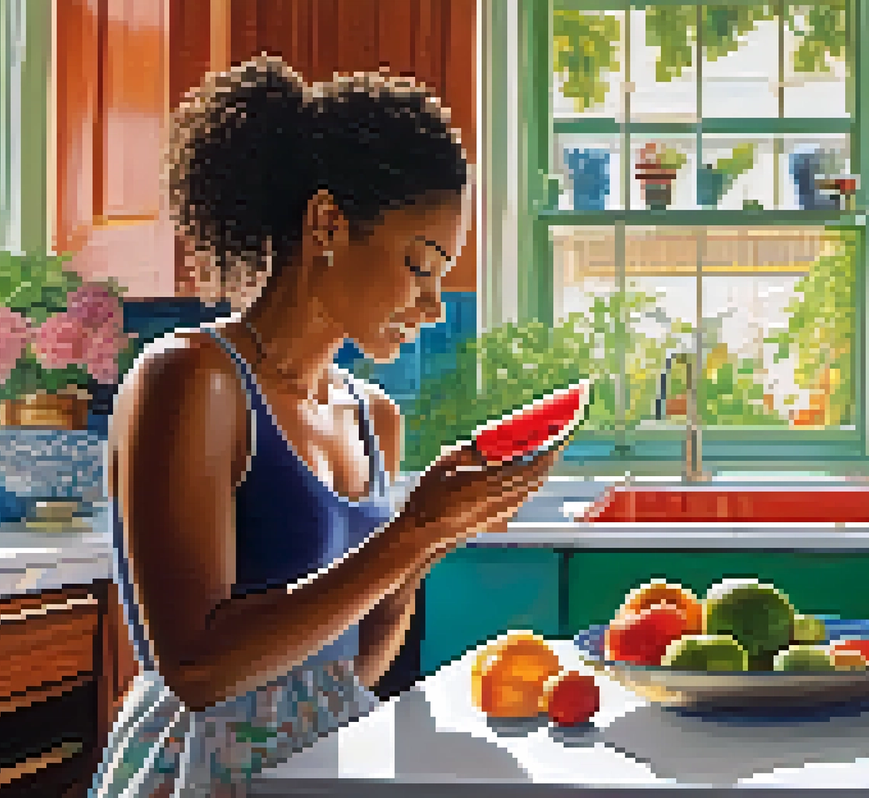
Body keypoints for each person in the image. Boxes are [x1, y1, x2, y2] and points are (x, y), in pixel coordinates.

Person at [91, 58, 564, 797]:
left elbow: (351, 666)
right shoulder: (191, 378)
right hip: (198, 770)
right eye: (421, 264)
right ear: (327, 224)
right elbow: (197, 670)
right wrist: (409, 533)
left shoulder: (373, 417)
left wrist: (431, 541)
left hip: (325, 762)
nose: (434, 304)